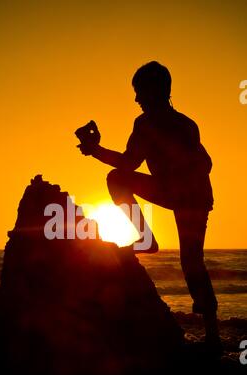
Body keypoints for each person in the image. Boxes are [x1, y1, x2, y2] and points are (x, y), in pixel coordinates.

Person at [77, 61, 221, 352]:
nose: (136, 99)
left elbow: (131, 164)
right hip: (191, 195)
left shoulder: (151, 124)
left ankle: (146, 238)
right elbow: (207, 162)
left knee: (117, 179)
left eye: (140, 91)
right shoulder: (184, 122)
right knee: (193, 262)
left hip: (189, 197)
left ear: (156, 91)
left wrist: (95, 151)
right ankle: (213, 334)